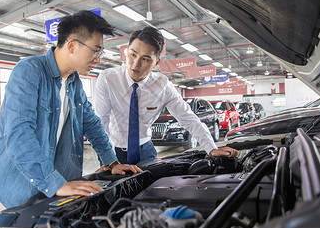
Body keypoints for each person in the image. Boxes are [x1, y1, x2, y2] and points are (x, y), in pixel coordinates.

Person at [0, 10, 141, 219]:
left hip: (48, 182)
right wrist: (54, 183)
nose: (98, 59)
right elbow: (19, 133)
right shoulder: (29, 71)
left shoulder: (73, 82)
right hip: (11, 183)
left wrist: (112, 162)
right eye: (96, 50)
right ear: (72, 45)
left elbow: (90, 123)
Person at [94, 26, 238, 165]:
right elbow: (101, 121)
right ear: (126, 52)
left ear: (156, 62)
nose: (135, 64)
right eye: (133, 55)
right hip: (113, 151)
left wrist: (211, 148)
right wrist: (109, 159)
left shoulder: (162, 85)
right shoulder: (108, 79)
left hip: (145, 151)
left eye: (145, 59)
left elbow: (187, 117)